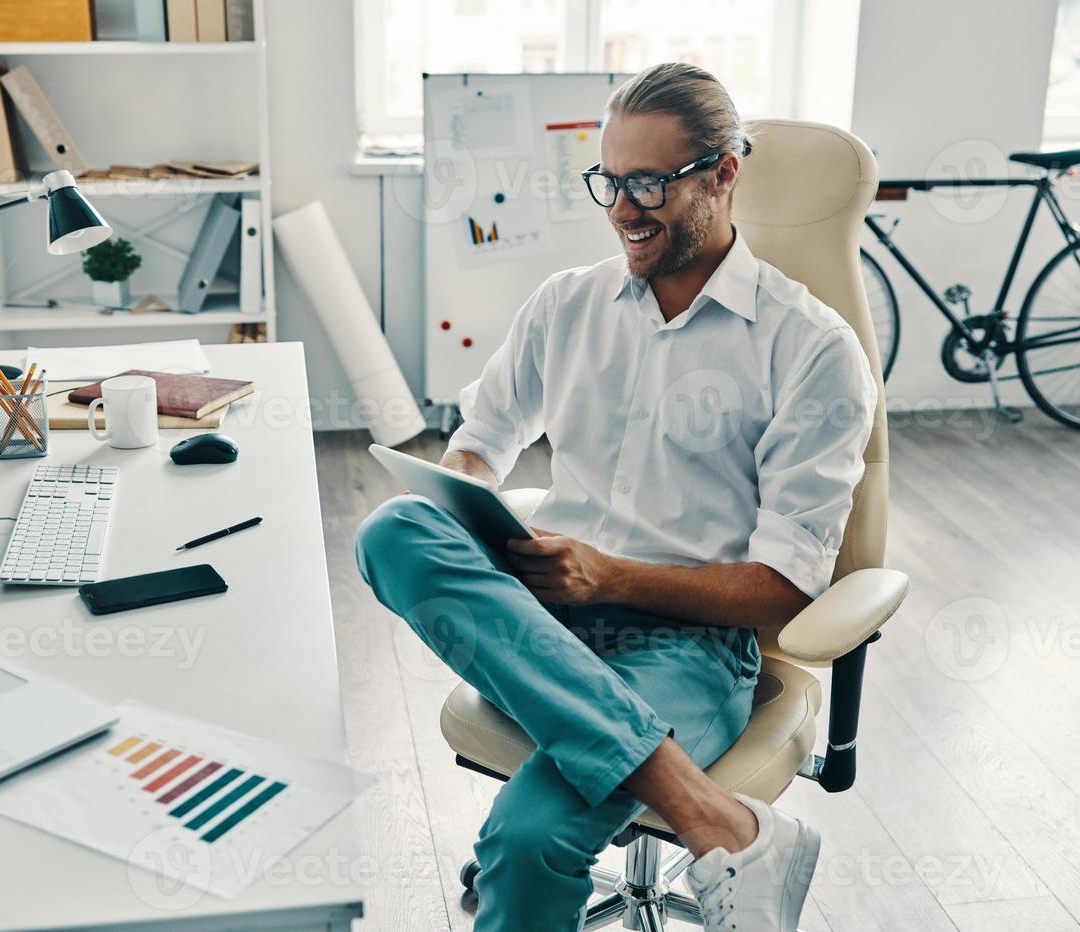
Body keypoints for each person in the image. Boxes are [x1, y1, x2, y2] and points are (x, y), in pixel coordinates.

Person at [355, 62, 876, 932]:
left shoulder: (811, 348)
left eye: (650, 182)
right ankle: (720, 822)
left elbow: (784, 589)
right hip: (545, 621)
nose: (624, 207)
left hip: (692, 651)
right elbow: (480, 441)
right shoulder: (566, 304)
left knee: (527, 841)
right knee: (394, 528)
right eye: (609, 181)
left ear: (723, 174)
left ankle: (692, 817)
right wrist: (469, 496)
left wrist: (611, 579)